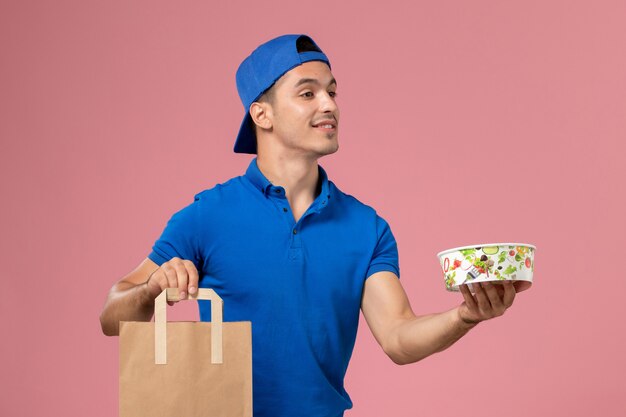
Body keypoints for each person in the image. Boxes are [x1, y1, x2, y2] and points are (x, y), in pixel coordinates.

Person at [100, 34, 516, 417]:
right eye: (308, 93)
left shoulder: (366, 228)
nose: (330, 104)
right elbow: (110, 316)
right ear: (262, 114)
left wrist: (465, 315)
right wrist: (153, 288)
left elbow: (397, 337)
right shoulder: (208, 215)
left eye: (332, 91)